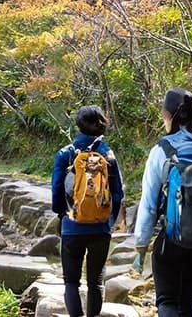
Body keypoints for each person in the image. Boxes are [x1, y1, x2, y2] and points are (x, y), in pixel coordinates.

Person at [133, 88, 192, 317]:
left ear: (170, 115)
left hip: (172, 238)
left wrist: (141, 247)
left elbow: (148, 203)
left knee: (167, 301)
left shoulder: (161, 150)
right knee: (187, 303)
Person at [51, 105, 124, 317]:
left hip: (73, 226)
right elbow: (118, 193)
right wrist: (108, 220)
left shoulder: (66, 154)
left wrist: (62, 214)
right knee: (95, 282)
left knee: (71, 281)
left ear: (78, 125)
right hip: (100, 227)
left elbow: (56, 188)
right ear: (102, 125)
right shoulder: (107, 155)